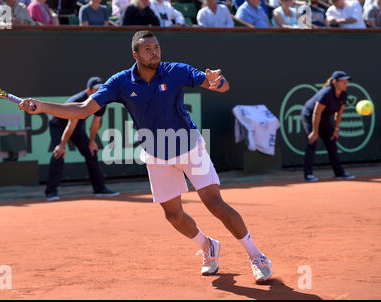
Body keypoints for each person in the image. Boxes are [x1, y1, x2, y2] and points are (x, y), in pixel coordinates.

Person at [19, 30, 273, 282]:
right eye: (148, 49)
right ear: (135, 54)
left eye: (157, 47)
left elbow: (221, 86)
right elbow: (83, 110)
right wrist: (41, 106)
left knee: (215, 205)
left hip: (188, 146)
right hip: (155, 153)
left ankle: (257, 256)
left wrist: (218, 81)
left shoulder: (176, 71)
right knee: (173, 215)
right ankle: (208, 246)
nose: (154, 52)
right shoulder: (120, 82)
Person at [45, 76, 119, 201]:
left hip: (76, 126)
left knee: (91, 152)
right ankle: (51, 192)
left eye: (101, 88)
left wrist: (91, 143)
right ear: (89, 90)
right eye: (96, 89)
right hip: (58, 125)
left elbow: (95, 123)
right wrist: (62, 145)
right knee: (58, 154)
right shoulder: (77, 100)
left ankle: (100, 189)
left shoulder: (101, 100)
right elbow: (70, 125)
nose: (99, 91)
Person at [301, 71, 356, 182]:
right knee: (312, 142)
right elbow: (316, 113)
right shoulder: (326, 93)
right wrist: (315, 132)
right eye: (343, 81)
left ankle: (339, 173)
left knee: (332, 142)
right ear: (335, 82)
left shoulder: (343, 95)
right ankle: (308, 174)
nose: (346, 84)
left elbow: (339, 114)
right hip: (310, 115)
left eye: (347, 81)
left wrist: (336, 130)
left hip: (324, 118)